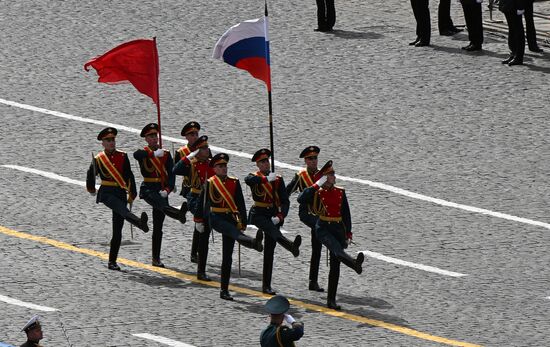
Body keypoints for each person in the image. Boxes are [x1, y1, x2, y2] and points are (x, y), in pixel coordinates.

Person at [196, 153, 263, 300]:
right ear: (214, 168)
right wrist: (198, 220)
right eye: (220, 166)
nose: (224, 168)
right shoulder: (210, 182)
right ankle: (253, 243)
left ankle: (224, 290)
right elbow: (202, 202)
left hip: (231, 217)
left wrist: (244, 221)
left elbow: (240, 202)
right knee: (233, 232)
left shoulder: (234, 182)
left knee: (227, 257)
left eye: (225, 166)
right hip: (217, 217)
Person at [297, 162, 364, 310]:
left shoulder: (340, 191)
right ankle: (354, 263)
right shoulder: (317, 191)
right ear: (324, 178)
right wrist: (316, 185)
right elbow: (300, 199)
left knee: (336, 264)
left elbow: (346, 214)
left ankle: (331, 300)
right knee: (336, 250)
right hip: (323, 228)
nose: (334, 176)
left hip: (338, 229)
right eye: (331, 174)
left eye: (333, 174)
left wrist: (348, 233)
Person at [86, 127, 149, 271]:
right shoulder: (99, 159)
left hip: (120, 191)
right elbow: (90, 174)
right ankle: (139, 223)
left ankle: (112, 262)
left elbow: (129, 175)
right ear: (103, 143)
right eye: (108, 140)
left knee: (117, 230)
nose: (111, 142)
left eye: (113, 140)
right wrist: (91, 189)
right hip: (107, 193)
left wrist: (132, 192)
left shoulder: (123, 156)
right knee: (122, 209)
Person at [245, 149, 300, 295]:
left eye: (267, 161)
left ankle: (266, 285)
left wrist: (281, 216)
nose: (266, 164)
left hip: (273, 215)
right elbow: (248, 180)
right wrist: (265, 179)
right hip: (259, 214)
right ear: (257, 164)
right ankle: (290, 245)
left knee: (269, 251)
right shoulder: (254, 177)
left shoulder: (278, 179)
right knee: (271, 229)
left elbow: (284, 200)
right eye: (262, 162)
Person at [134, 123, 186, 268]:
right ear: (146, 139)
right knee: (163, 206)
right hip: (149, 189)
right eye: (150, 136)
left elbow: (172, 173)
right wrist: (153, 154)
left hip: (162, 189)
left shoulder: (166, 154)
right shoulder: (143, 152)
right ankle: (177, 214)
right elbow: (136, 155)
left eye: (155, 136)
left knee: (158, 226)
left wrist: (168, 189)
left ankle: (155, 258)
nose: (154, 138)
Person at [173, 135, 215, 281]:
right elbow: (175, 170)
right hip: (195, 199)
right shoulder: (191, 164)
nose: (207, 150)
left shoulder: (212, 164)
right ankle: (201, 271)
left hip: (208, 201)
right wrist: (189, 156)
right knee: (202, 229)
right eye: (203, 148)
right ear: (197, 150)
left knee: (205, 234)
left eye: (207, 147)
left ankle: (201, 267)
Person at [286, 146, 325, 292]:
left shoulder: (323, 174)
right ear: (305, 161)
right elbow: (287, 192)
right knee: (320, 233)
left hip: (320, 214)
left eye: (315, 158)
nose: (313, 161)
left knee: (317, 247)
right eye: (310, 158)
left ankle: (312, 281)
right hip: (307, 214)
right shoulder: (301, 176)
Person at [174, 121, 200, 263]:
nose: (195, 136)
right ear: (186, 137)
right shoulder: (181, 152)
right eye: (192, 134)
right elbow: (175, 169)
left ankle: (184, 210)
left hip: (201, 187)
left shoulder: (204, 149)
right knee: (199, 217)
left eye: (196, 133)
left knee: (199, 220)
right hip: (189, 187)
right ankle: (194, 253)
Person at [500, 0, 526, 66]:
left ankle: (518, 57)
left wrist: (520, 7)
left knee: (518, 31)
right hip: (507, 5)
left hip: (515, 5)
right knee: (512, 30)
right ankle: (513, 53)